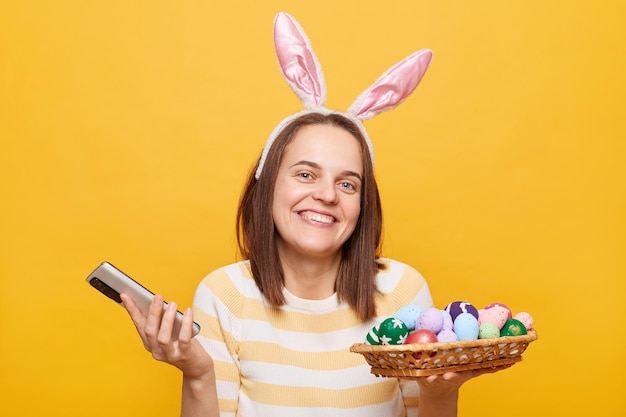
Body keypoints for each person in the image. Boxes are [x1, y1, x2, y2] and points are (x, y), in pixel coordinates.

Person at [121, 12, 511, 417]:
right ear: (268, 185)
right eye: (306, 174)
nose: (326, 195)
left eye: (347, 184)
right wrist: (198, 374)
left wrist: (441, 392)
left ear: (363, 206)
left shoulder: (401, 291)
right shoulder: (225, 297)